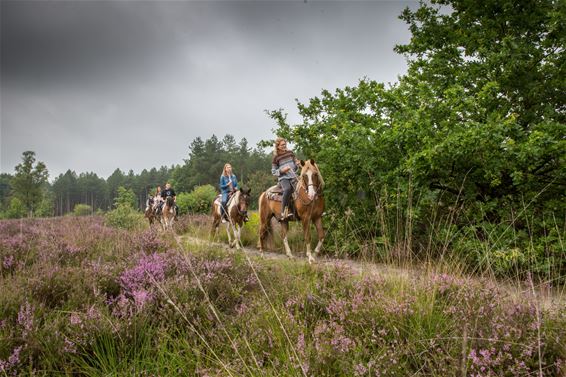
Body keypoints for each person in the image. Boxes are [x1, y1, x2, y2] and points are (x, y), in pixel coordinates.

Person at [271, 137, 300, 221]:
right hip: (283, 178)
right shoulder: (276, 158)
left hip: (294, 176)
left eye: (285, 144)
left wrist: (297, 164)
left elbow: (295, 163)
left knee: (302, 188)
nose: (284, 146)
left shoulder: (290, 153)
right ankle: (283, 211)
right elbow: (273, 172)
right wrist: (282, 170)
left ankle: (300, 210)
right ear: (278, 146)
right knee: (287, 189)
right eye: (282, 145)